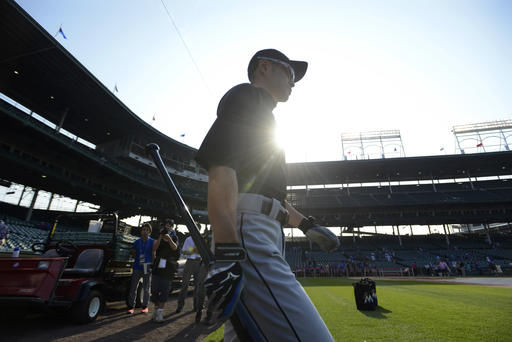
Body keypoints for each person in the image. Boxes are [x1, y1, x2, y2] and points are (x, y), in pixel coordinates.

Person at [196, 48, 339, 341]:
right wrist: (226, 253)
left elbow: (269, 194)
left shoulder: (264, 116)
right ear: (264, 68)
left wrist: (307, 226)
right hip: (249, 234)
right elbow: (221, 165)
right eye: (289, 71)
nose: (293, 81)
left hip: (261, 229)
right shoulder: (248, 96)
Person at [151, 219, 179, 322]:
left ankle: (159, 312)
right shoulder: (160, 236)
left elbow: (175, 248)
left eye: (169, 226)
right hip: (158, 265)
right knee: (154, 289)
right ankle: (156, 309)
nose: (167, 227)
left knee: (164, 290)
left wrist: (169, 238)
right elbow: (154, 248)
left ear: (172, 227)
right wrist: (160, 237)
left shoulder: (174, 236)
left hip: (168, 267)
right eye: (166, 225)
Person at [127, 223, 154, 314]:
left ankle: (145, 306)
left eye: (147, 230)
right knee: (133, 287)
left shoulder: (152, 242)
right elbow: (133, 253)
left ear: (150, 232)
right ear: (141, 231)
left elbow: (154, 254)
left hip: (147, 266)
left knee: (146, 286)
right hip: (137, 266)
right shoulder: (136, 242)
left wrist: (152, 265)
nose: (145, 231)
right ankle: (131, 307)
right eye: (143, 229)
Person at [176, 233, 201, 313]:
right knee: (184, 284)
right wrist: (195, 251)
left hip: (198, 262)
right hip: (190, 262)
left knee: (197, 285)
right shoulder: (188, 239)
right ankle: (180, 306)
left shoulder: (202, 239)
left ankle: (196, 306)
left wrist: (193, 251)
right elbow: (184, 252)